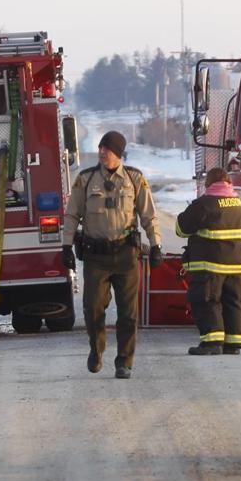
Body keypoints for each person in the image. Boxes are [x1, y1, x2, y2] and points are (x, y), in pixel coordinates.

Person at [62, 131, 162, 379]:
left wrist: (156, 245)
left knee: (128, 313)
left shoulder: (134, 178)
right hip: (96, 257)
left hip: (126, 255)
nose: (102, 152)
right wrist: (65, 246)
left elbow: (149, 216)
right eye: (100, 148)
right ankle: (96, 351)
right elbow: (72, 215)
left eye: (107, 149)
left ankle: (124, 362)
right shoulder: (85, 179)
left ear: (118, 152)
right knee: (92, 309)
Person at [175, 168, 241, 356]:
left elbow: (181, 229)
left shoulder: (204, 204)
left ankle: (212, 343)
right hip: (236, 265)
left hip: (210, 265)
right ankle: (234, 343)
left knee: (207, 300)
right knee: (234, 301)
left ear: (208, 184)